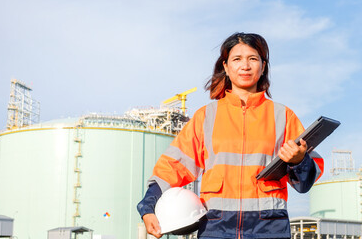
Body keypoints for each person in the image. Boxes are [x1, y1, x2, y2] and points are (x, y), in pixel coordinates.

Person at [137, 32, 324, 239]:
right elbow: (172, 167)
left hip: (270, 228)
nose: (245, 66)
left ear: (263, 66)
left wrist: (299, 161)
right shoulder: (206, 117)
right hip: (216, 227)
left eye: (253, 59)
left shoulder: (283, 115)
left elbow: (306, 182)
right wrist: (148, 206)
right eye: (237, 59)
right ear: (225, 67)